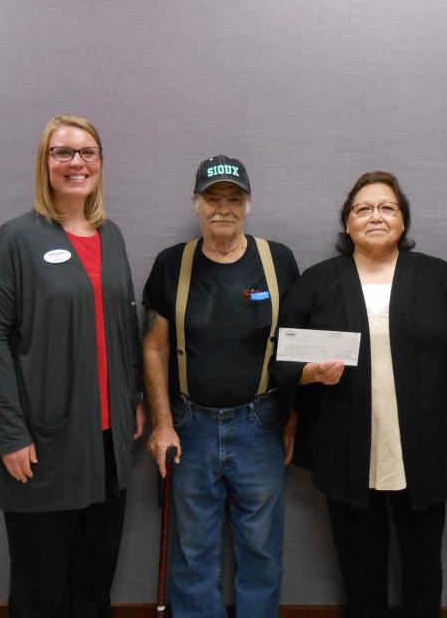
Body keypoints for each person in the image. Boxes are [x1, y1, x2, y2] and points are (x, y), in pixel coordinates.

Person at [276, 170, 447, 618]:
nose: (375, 216)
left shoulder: (440, 280)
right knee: (359, 574)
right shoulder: (317, 283)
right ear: (347, 222)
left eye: (387, 207)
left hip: (425, 451)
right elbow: (281, 362)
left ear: (403, 220)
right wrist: (310, 374)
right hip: (345, 451)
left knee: (423, 571)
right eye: (363, 208)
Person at [0, 115, 145, 617]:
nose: (76, 163)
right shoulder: (16, 239)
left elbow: (124, 326)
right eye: (63, 152)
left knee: (92, 590)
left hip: (107, 447)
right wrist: (10, 434)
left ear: (100, 164)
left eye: (87, 152)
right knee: (39, 593)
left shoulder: (111, 236)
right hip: (41, 447)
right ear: (44, 163)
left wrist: (133, 397)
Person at [142, 155, 300, 618]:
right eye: (213, 198)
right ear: (197, 204)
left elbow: (294, 347)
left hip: (261, 424)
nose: (223, 208)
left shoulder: (279, 261)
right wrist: (163, 425)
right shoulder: (172, 264)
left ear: (248, 204)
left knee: (261, 549)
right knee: (193, 552)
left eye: (234, 198)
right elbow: (153, 348)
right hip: (190, 427)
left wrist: (293, 417)